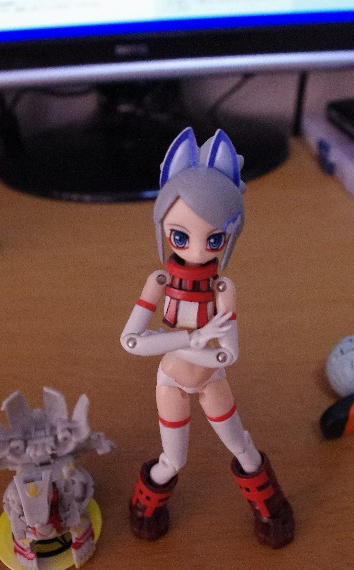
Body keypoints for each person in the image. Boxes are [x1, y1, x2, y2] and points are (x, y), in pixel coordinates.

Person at [120, 127, 294, 548]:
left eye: (214, 239)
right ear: (163, 227)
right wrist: (192, 340)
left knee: (243, 447)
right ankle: (145, 506)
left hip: (211, 380)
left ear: (228, 238)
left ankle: (271, 508)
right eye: (180, 236)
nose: (197, 251)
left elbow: (227, 355)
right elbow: (131, 342)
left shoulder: (222, 289)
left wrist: (192, 343)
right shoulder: (160, 281)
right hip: (170, 382)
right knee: (173, 459)